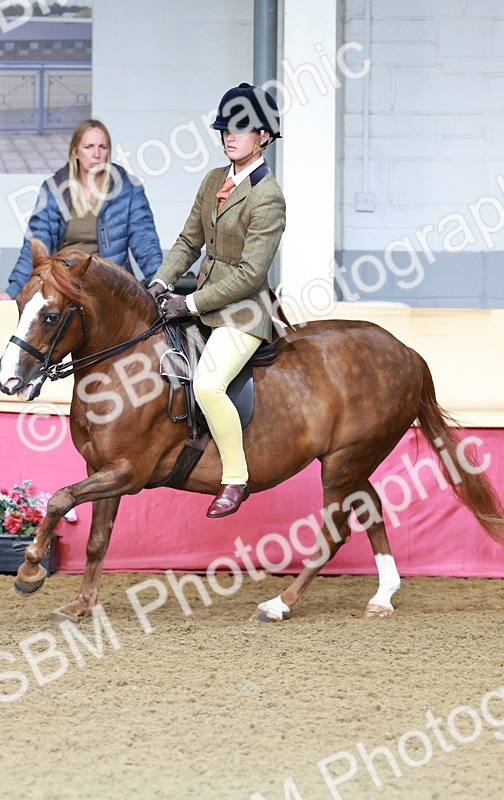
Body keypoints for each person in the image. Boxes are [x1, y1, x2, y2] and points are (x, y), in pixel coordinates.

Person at [149, 83, 286, 519]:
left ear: (263, 135)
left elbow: (250, 274)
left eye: (241, 129)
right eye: (225, 127)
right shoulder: (213, 180)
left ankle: (235, 477)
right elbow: (190, 240)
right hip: (203, 300)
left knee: (208, 383)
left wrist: (188, 305)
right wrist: (159, 281)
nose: (230, 136)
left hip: (243, 313)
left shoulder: (268, 196)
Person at [0, 119, 162, 300]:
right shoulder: (54, 188)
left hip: (111, 288)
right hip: (65, 287)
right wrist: (12, 291)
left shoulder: (127, 187)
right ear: (75, 151)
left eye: (102, 147)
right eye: (88, 147)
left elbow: (145, 242)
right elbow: (37, 243)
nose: (96, 154)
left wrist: (162, 286)